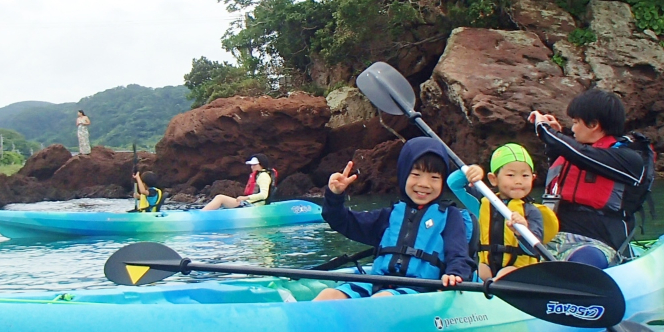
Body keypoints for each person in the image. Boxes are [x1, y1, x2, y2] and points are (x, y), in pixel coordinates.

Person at [314, 137, 474, 300]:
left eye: (434, 177)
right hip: (377, 283)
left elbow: (458, 255)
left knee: (383, 297)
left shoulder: (450, 216)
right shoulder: (390, 215)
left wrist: (455, 274)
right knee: (329, 294)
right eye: (416, 174)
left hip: (420, 291)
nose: (424, 184)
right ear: (404, 174)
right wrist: (335, 195)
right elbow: (342, 221)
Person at [528, 88, 654, 267]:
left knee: (583, 262)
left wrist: (545, 130)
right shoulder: (576, 153)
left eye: (576, 122)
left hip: (598, 244)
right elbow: (571, 157)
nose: (573, 128)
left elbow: (583, 156)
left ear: (594, 124)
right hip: (553, 238)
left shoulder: (628, 159)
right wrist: (556, 137)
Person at [447, 143, 559, 280]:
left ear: (533, 178)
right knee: (478, 272)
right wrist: (472, 171)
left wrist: (522, 231)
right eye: (511, 175)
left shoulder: (532, 211)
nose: (518, 181)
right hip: (486, 270)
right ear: (493, 179)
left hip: (519, 273)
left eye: (525, 175)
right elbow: (453, 183)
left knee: (505, 274)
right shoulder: (482, 202)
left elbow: (533, 249)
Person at [202, 154, 276, 210]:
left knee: (220, 198)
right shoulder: (259, 175)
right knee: (221, 202)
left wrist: (245, 198)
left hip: (254, 206)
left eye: (255, 165)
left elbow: (264, 195)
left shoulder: (263, 176)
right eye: (251, 165)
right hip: (250, 203)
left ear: (262, 165)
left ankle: (201, 215)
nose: (252, 167)